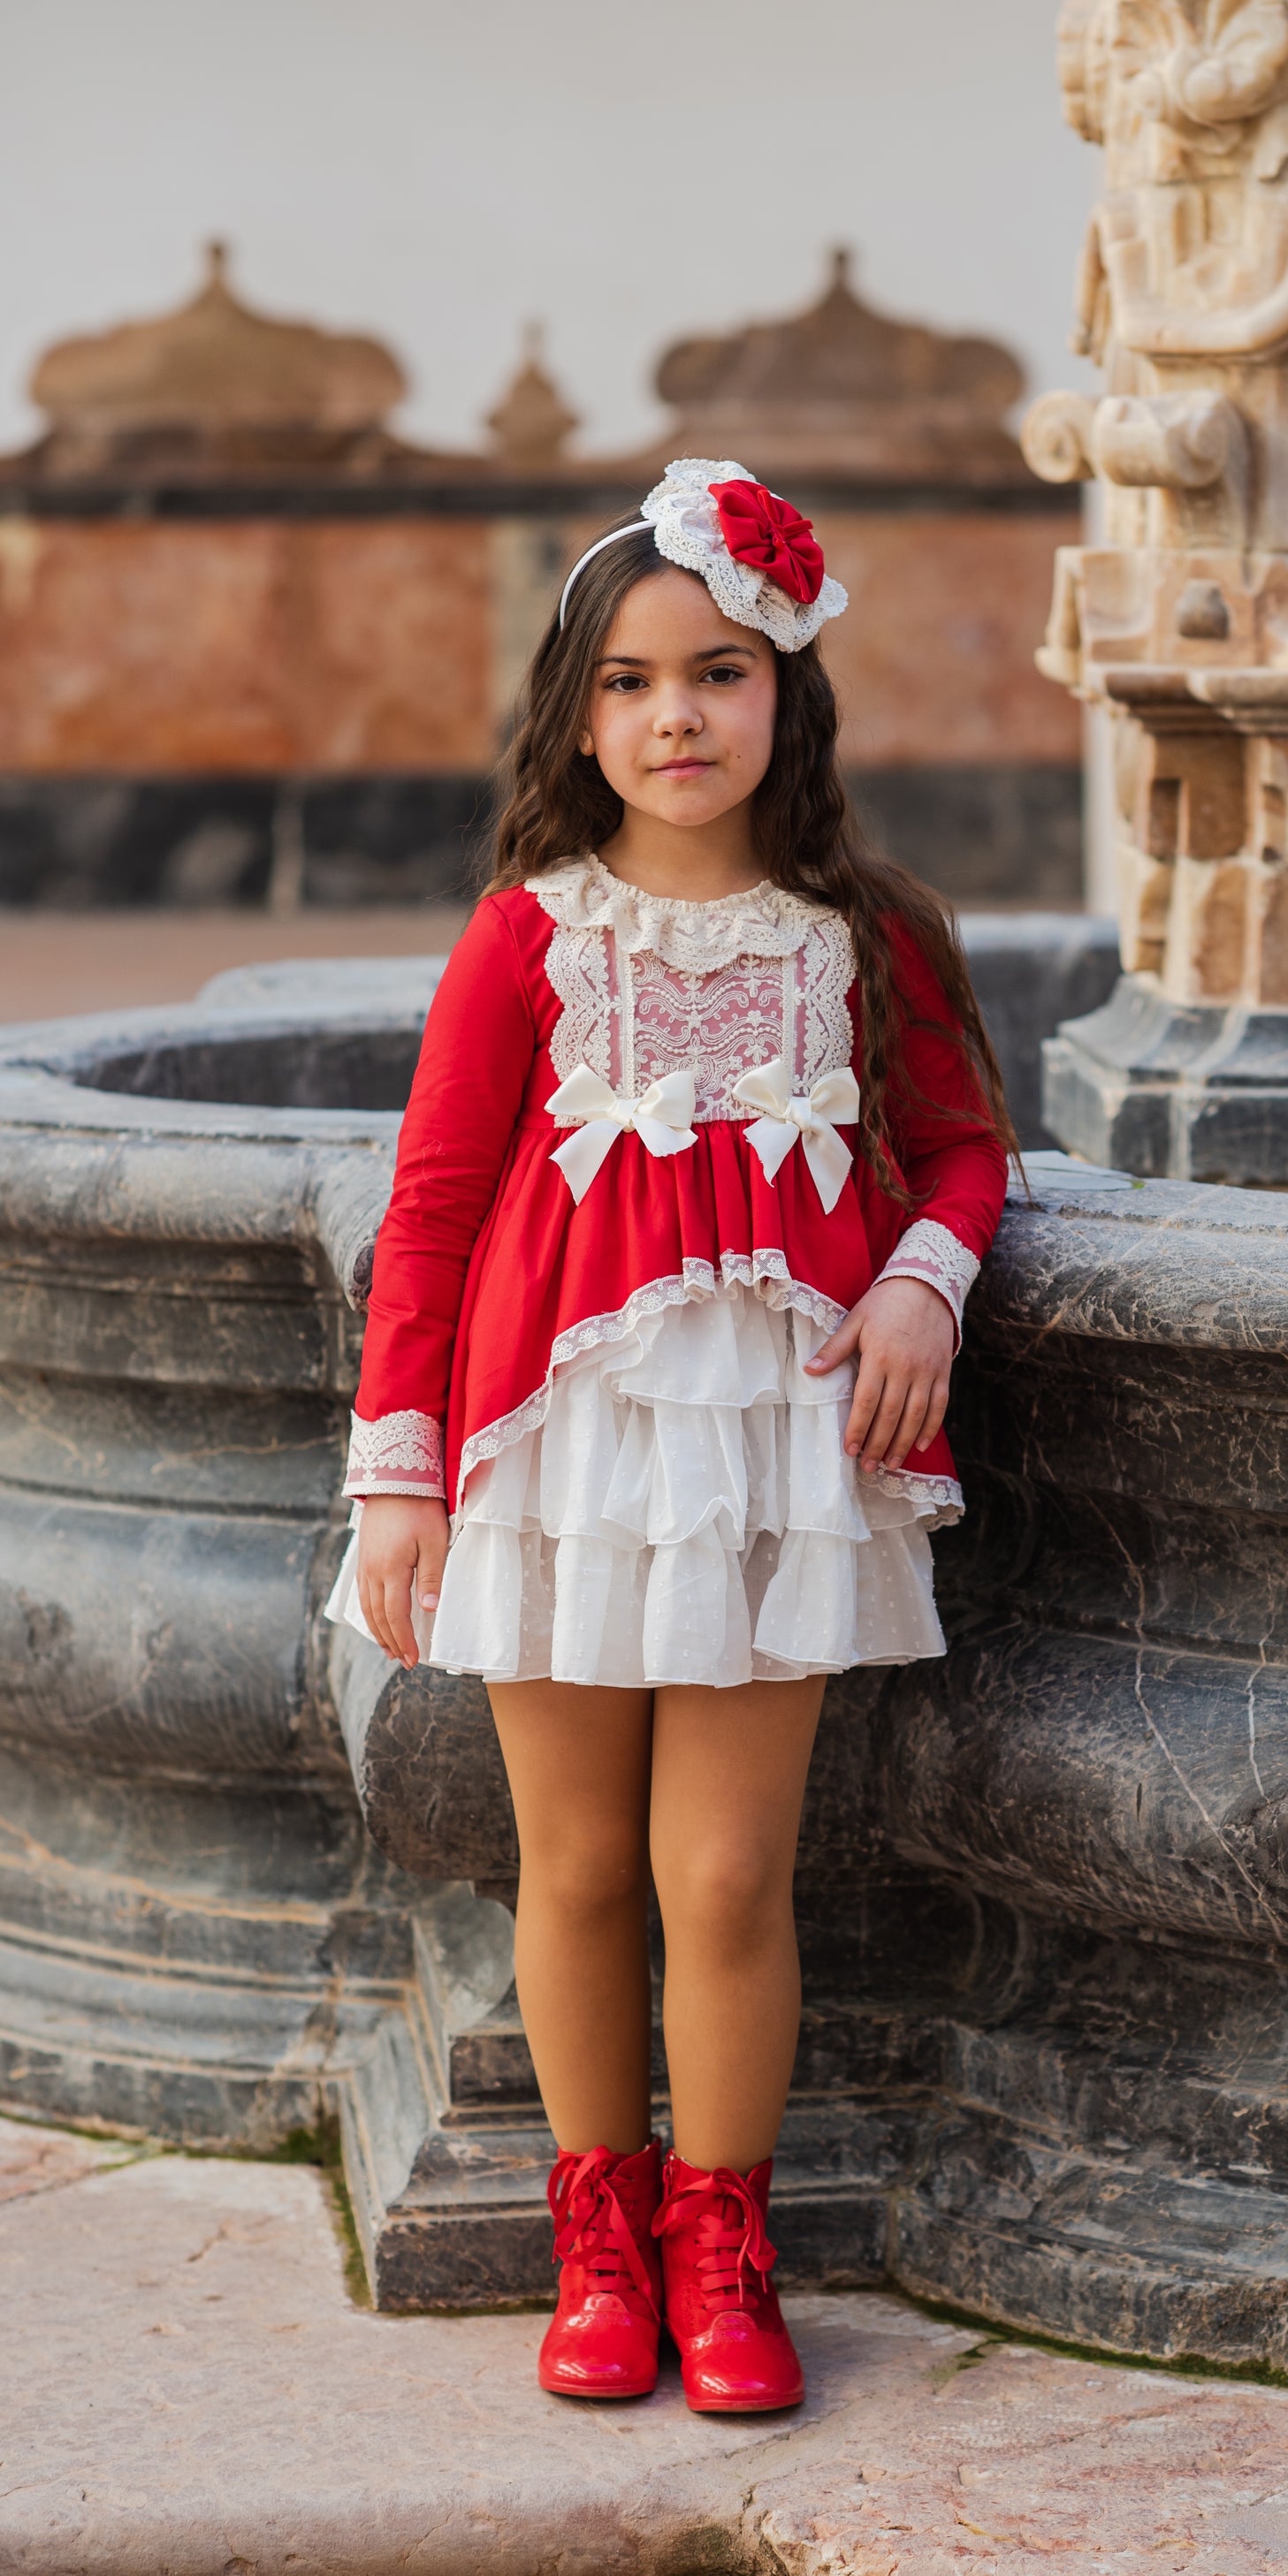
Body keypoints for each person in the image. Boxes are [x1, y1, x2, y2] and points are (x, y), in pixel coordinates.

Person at [325, 459, 1011, 2412]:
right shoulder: (526, 937)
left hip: (777, 1455)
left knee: (724, 1877)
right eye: (626, 684)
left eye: (715, 673)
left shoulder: (867, 933)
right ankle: (597, 2237)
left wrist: (917, 1281)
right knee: (578, 1866)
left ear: (788, 684)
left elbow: (964, 1151)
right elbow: (434, 1213)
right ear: (577, 714)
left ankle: (725, 2246)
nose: (674, 719)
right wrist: (397, 1470)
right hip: (556, 1453)